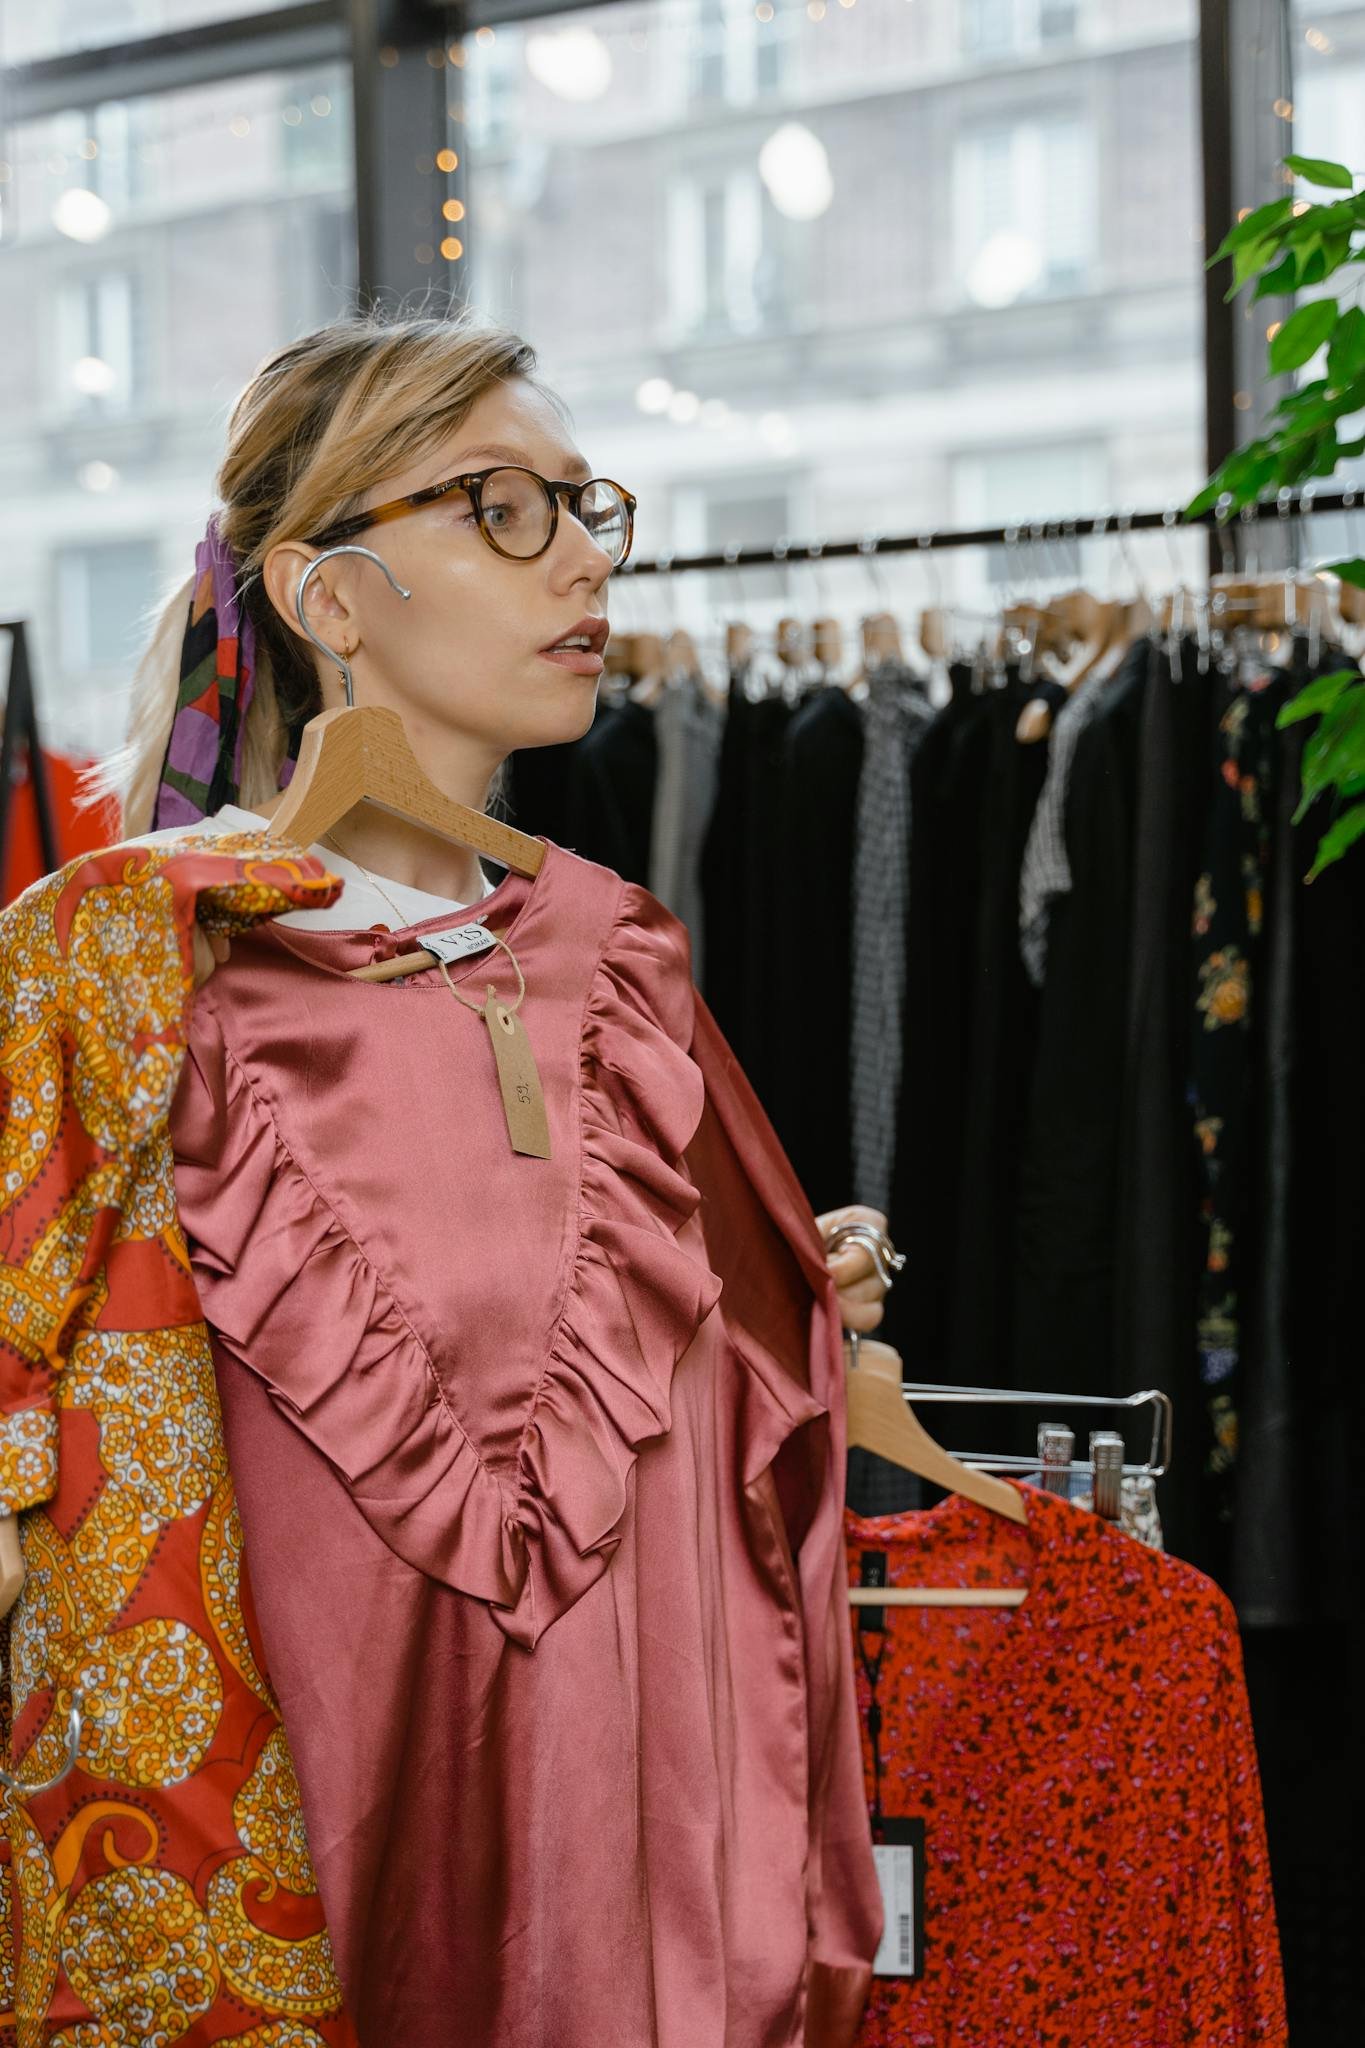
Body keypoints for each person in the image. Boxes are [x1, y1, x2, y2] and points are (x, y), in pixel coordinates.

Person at [10, 306, 896, 2046]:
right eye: (498, 506)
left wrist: (775, 1308)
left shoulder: (618, 961)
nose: (578, 558)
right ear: (324, 594)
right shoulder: (115, 959)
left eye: (586, 506)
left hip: (615, 1896)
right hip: (277, 1894)